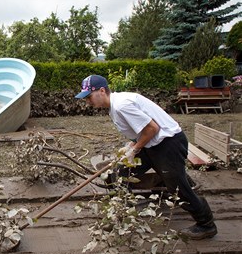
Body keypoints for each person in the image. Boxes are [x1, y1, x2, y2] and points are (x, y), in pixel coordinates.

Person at [75, 75, 217, 240]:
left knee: (178, 190)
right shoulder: (113, 107)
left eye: (88, 97)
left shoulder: (121, 106)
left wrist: (135, 149)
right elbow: (141, 129)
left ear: (101, 91)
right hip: (152, 144)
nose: (87, 101)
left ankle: (206, 224)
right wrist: (131, 145)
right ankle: (122, 215)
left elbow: (152, 128)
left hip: (168, 144)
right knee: (120, 174)